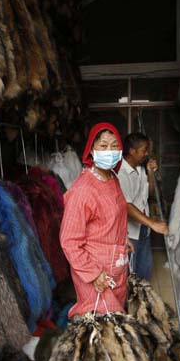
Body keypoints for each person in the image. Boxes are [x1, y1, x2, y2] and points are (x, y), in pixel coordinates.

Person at [60, 122, 133, 319]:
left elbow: (112, 218)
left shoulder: (112, 179)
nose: (109, 150)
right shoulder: (83, 190)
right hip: (95, 274)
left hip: (115, 268)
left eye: (114, 145)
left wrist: (123, 242)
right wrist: (93, 275)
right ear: (91, 150)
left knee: (116, 323)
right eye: (103, 146)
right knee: (100, 332)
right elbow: (69, 241)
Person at [117, 132, 168, 280]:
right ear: (132, 151)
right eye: (144, 150)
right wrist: (153, 223)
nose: (147, 153)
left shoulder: (139, 169)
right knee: (130, 274)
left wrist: (150, 173)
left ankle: (143, 299)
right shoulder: (122, 173)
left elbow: (150, 193)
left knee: (145, 269)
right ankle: (130, 301)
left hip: (143, 228)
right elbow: (126, 206)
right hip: (130, 232)